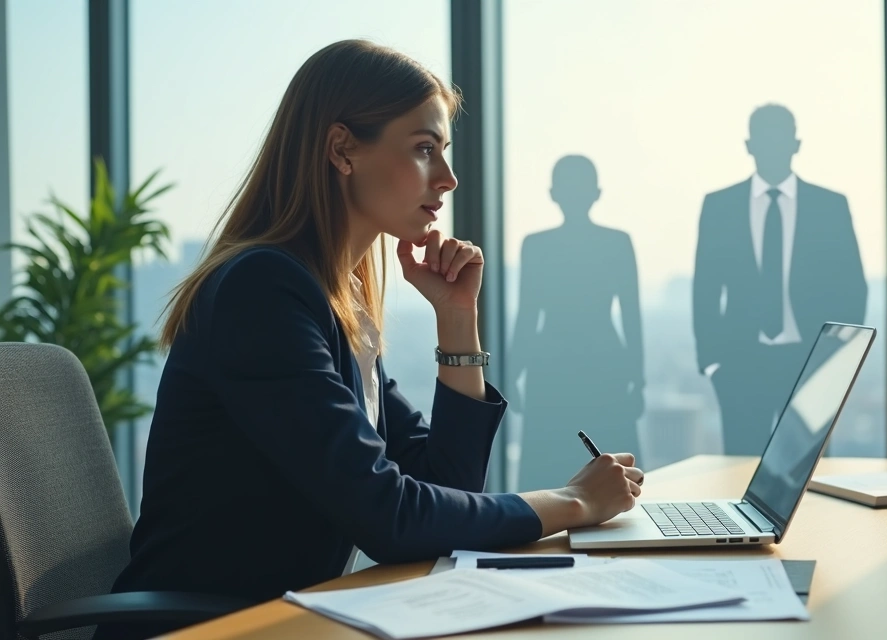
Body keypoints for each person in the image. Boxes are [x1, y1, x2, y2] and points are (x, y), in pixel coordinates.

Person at [94, 40, 642, 640]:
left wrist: (457, 320)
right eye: (424, 150)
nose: (450, 178)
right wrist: (575, 502)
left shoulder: (336, 303)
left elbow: (446, 491)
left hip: (284, 624)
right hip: (214, 630)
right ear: (341, 149)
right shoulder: (262, 292)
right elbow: (392, 518)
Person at [692, 104, 867, 455]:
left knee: (807, 481)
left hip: (809, 363)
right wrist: (714, 365)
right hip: (740, 366)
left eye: (780, 140)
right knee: (738, 476)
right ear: (749, 146)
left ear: (796, 145)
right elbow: (705, 291)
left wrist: (832, 361)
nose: (772, 148)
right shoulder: (720, 206)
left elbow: (853, 289)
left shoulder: (829, 206)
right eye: (764, 140)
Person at [509, 155, 644, 490]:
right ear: (596, 193)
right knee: (613, 474)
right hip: (604, 361)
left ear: (553, 194)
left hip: (551, 364)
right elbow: (631, 317)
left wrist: (513, 375)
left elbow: (527, 316)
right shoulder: (617, 242)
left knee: (546, 474)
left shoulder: (537, 246)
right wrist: (638, 380)